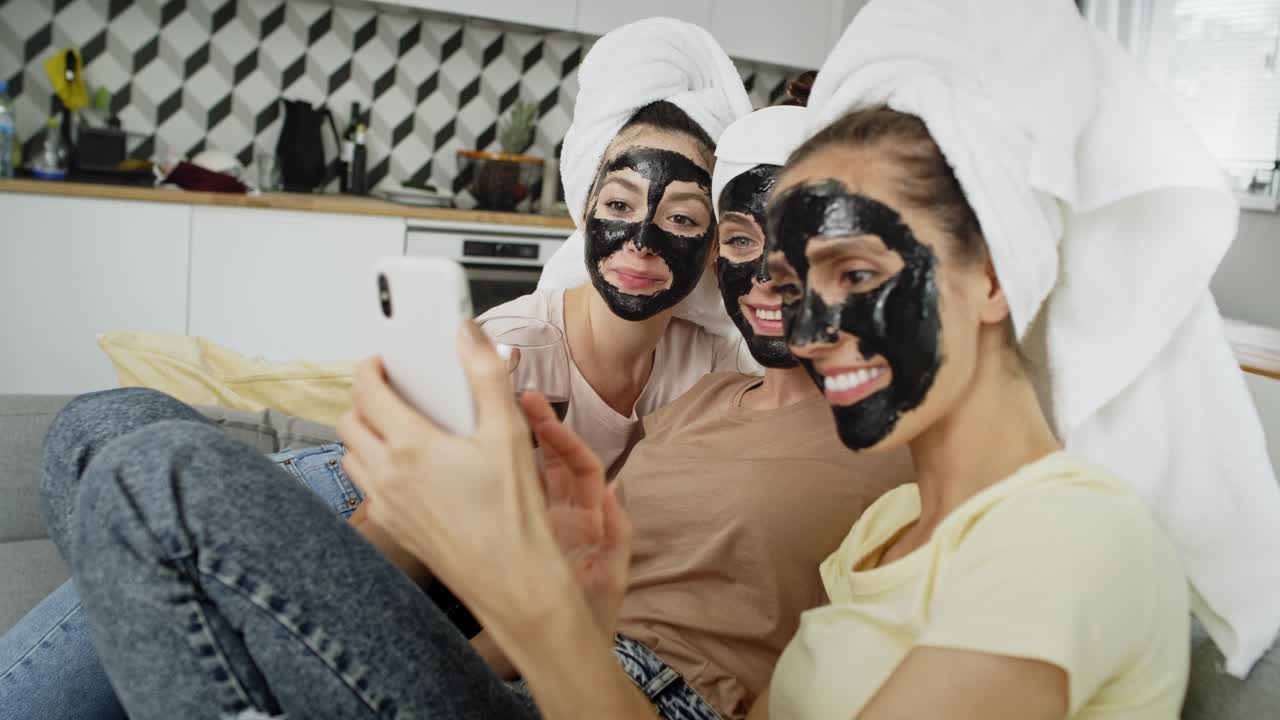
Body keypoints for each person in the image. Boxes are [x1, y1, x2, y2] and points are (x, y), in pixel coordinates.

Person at [34, 103, 911, 719]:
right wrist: (485, 645)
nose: (767, 278)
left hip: (620, 679)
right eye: (745, 243)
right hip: (437, 571)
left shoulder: (882, 437)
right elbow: (551, 582)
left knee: (153, 476)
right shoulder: (703, 390)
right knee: (104, 425)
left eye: (684, 219)